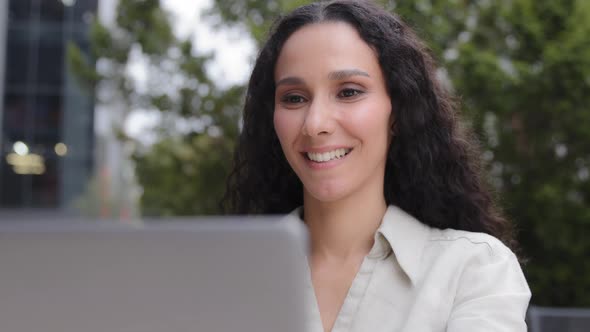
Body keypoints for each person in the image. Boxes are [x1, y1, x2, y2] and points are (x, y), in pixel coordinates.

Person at [224, 0, 531, 331]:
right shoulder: (227, 277)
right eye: (294, 98)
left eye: (349, 92)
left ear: (397, 110)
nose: (315, 124)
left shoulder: (474, 270)